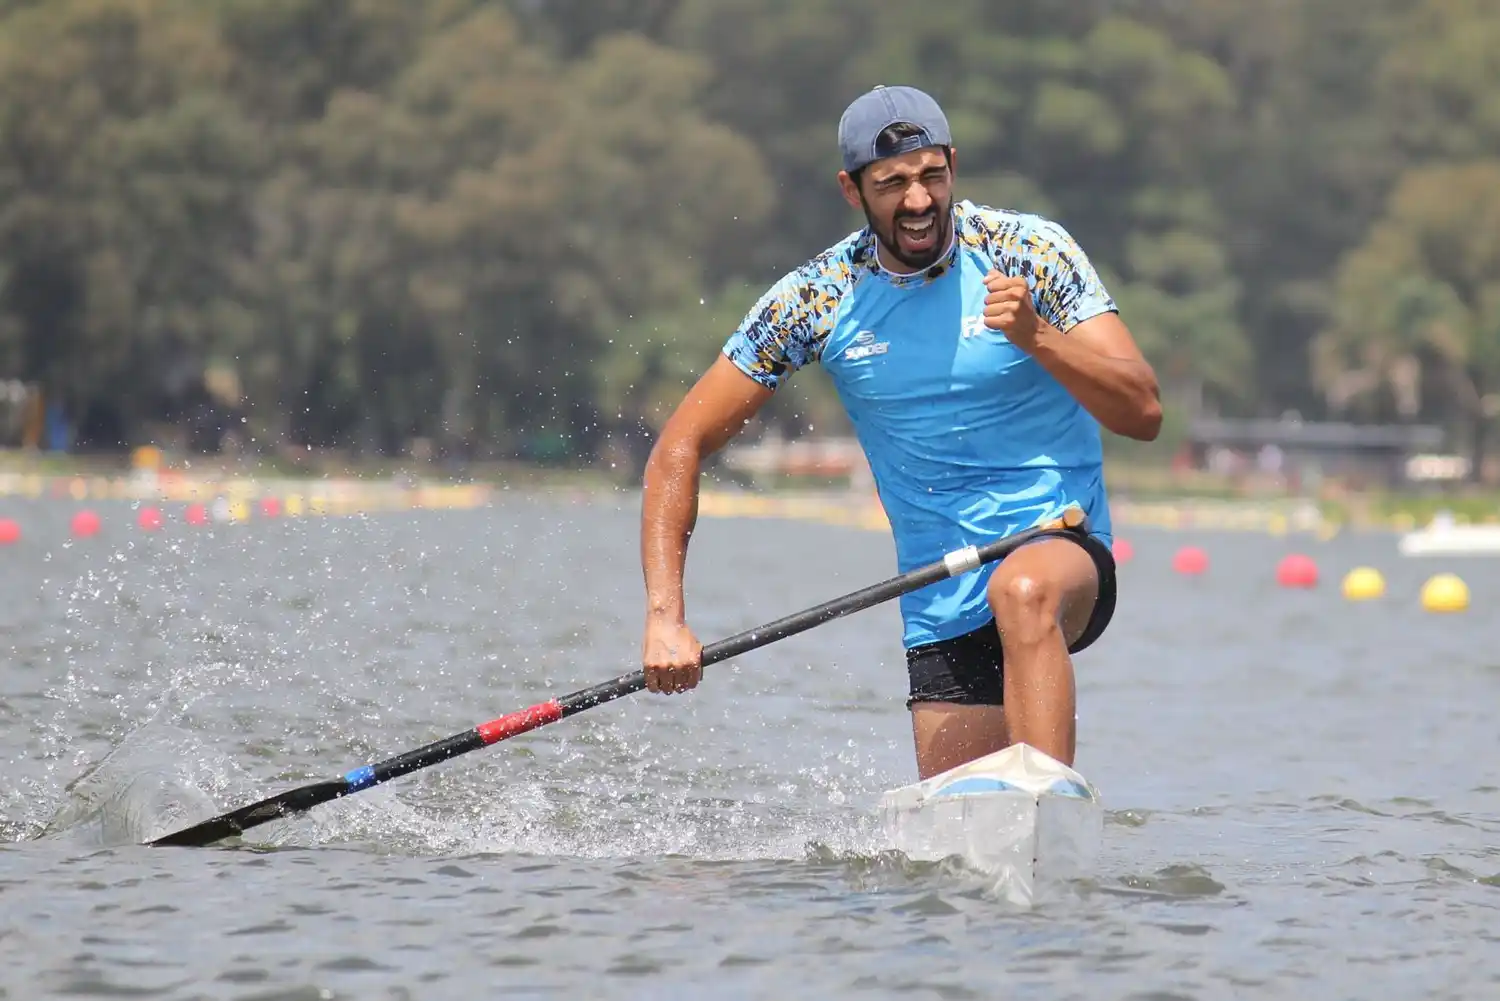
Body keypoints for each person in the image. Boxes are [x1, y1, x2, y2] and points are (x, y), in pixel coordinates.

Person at [637, 84, 1161, 778]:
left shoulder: (1029, 251)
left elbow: (1143, 411)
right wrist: (666, 618)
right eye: (891, 184)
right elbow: (681, 443)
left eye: (932, 176)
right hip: (939, 596)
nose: (918, 201)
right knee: (955, 853)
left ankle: (1049, 812)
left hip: (1058, 548)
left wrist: (1039, 337)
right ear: (852, 191)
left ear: (952, 165)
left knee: (1021, 591)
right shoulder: (818, 298)